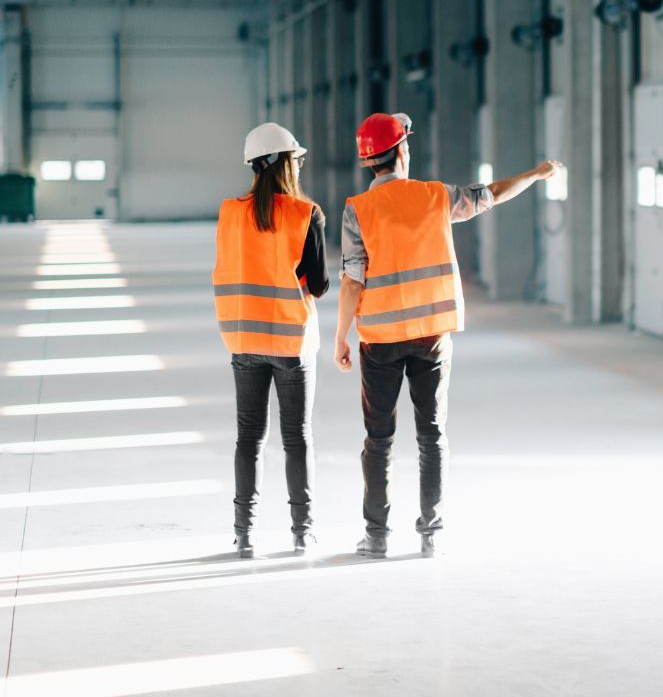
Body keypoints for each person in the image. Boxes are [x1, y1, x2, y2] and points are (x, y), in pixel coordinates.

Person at [335, 111, 563, 558]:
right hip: (432, 335)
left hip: (379, 338)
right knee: (431, 434)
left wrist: (342, 335)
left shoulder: (356, 210)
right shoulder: (436, 196)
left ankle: (377, 536)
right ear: (403, 149)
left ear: (369, 162)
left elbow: (351, 279)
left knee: (378, 439)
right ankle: (430, 533)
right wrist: (537, 174)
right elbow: (492, 194)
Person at [213, 122, 329, 559]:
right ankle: (302, 531)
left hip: (243, 338)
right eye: (296, 158)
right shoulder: (305, 213)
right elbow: (317, 284)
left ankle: (244, 533)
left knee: (249, 438)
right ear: (285, 162)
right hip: (292, 343)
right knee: (297, 438)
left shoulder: (228, 212)